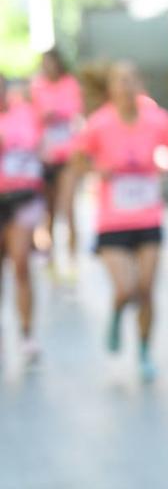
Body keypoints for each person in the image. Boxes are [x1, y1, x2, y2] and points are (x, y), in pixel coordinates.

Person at [71, 61, 168, 383]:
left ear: (140, 83)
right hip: (113, 221)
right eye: (120, 80)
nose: (127, 86)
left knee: (146, 289)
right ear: (110, 88)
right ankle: (118, 313)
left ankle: (145, 351)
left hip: (148, 215)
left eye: (132, 79)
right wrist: (95, 171)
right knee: (126, 289)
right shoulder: (99, 123)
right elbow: (78, 159)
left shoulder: (157, 119)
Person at [0, 74, 46, 367]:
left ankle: (26, 334)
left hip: (22, 196)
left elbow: (39, 147)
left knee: (20, 264)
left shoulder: (26, 113)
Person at [30, 49, 84, 282]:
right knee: (49, 213)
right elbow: (32, 116)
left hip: (68, 157)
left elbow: (75, 112)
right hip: (44, 157)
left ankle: (72, 262)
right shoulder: (36, 86)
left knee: (68, 209)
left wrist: (56, 113)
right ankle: (51, 260)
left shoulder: (70, 84)